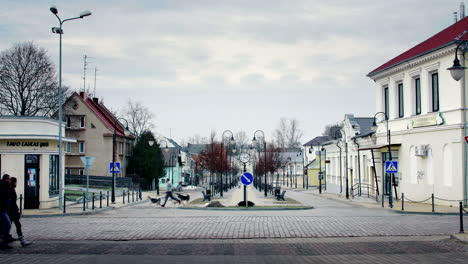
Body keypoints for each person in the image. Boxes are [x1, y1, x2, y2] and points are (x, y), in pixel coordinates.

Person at [8, 177, 32, 247]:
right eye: (16, 182)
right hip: (12, 211)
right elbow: (12, 202)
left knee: (9, 225)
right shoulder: (11, 190)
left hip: (10, 210)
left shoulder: (10, 189)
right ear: (14, 182)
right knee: (17, 225)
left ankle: (6, 238)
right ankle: (22, 241)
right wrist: (16, 210)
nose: (16, 183)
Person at [0, 174, 13, 250]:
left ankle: (4, 240)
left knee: (5, 224)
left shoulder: (4, 186)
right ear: (6, 180)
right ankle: (4, 242)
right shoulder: (4, 186)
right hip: (2, 209)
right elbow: (6, 197)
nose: (10, 180)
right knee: (7, 224)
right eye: (9, 179)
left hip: (3, 209)